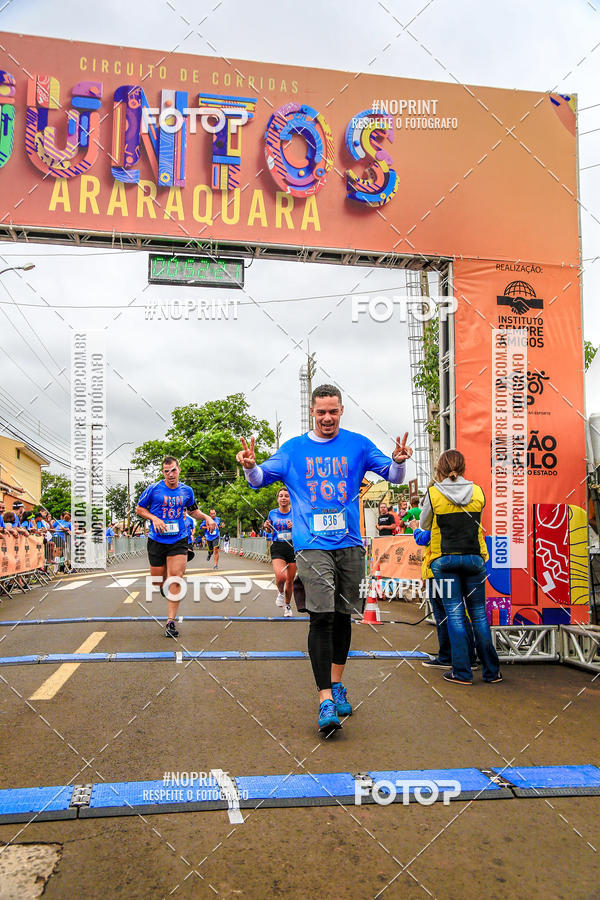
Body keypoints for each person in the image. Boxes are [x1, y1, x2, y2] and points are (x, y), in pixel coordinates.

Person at [237, 384, 413, 734]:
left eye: (333, 411)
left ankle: (335, 684)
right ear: (312, 413)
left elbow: (391, 477)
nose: (328, 418)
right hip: (312, 545)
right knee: (321, 618)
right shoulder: (293, 450)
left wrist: (397, 462)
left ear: (341, 411)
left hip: (349, 544)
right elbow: (259, 480)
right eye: (321, 412)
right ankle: (324, 700)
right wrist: (249, 467)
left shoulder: (358, 444)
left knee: (342, 618)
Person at [420, 449, 502, 685]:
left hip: (445, 560)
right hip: (474, 558)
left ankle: (462, 672)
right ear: (463, 467)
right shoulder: (477, 491)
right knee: (478, 614)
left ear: (441, 469)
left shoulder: (434, 493)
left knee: (454, 615)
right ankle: (491, 671)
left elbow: (425, 523)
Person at [136, 456, 214, 638]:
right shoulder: (154, 489)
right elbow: (140, 509)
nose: (170, 474)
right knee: (158, 581)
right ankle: (164, 587)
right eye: (166, 471)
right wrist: (154, 518)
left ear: (179, 469)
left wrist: (207, 517)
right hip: (156, 539)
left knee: (176, 578)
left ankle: (170, 622)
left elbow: (193, 510)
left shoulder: (187, 491)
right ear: (163, 472)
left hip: (178, 540)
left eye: (173, 470)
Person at [413, 526, 478, 671]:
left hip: (438, 571)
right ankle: (469, 657)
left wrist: (415, 529)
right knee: (458, 614)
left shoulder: (440, 516)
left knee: (443, 616)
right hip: (456, 568)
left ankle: (447, 657)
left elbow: (425, 538)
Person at [264, 487, 296, 617]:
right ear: (277, 499)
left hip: (293, 547)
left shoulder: (295, 512)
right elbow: (267, 531)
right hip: (278, 546)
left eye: (286, 496)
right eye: (281, 496)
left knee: (290, 580)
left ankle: (287, 606)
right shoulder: (272, 513)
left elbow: (303, 529)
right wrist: (266, 527)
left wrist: (295, 527)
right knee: (281, 576)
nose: (283, 498)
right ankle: (280, 593)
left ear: (289, 499)